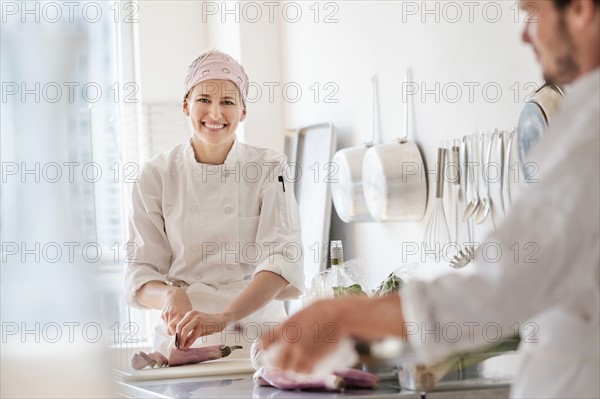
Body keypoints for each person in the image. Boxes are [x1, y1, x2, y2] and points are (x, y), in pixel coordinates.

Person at [263, 0, 600, 397]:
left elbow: (496, 289)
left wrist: (341, 314)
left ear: (580, 9)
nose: (525, 34)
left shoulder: (586, 137)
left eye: (532, 12)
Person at [125, 49, 304, 357]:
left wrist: (224, 317)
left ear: (243, 112)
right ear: (186, 105)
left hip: (257, 336)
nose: (215, 113)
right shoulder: (156, 175)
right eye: (204, 100)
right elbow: (140, 271)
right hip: (184, 339)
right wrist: (169, 295)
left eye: (228, 102)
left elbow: (281, 259)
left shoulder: (269, 168)